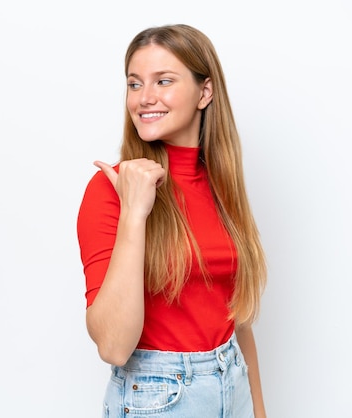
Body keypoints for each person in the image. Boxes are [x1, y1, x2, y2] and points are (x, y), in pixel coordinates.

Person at [76, 24, 267, 417]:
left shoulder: (221, 183)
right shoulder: (110, 189)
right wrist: (135, 212)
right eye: (134, 84)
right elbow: (113, 345)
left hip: (233, 380)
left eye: (163, 81)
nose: (145, 98)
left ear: (205, 92)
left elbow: (236, 316)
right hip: (161, 398)